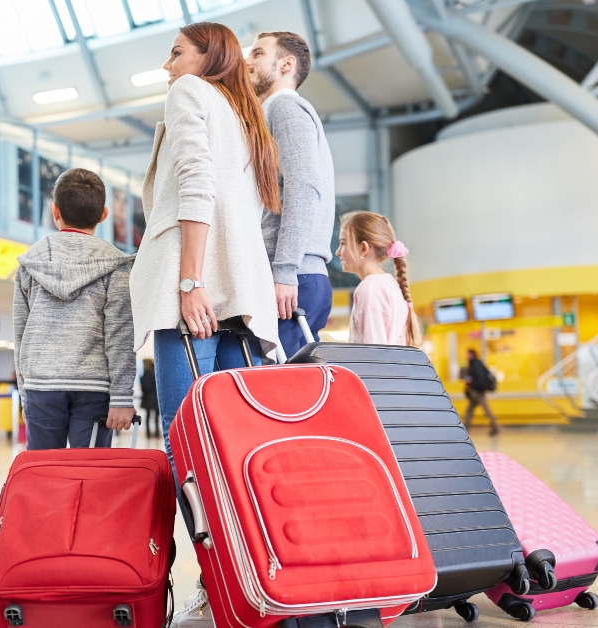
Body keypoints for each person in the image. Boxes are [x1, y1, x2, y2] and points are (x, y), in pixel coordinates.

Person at [130, 21, 282, 471]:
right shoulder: (244, 114)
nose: (168, 65)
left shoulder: (189, 91)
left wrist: (191, 280)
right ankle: (244, 541)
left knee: (187, 437)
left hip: (198, 287)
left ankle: (208, 542)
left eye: (177, 53)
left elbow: (197, 187)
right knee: (243, 436)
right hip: (243, 290)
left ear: (208, 57)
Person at [12, 168, 136, 449]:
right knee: (89, 476)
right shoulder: (116, 266)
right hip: (94, 389)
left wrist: (25, 392)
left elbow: (20, 334)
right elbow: (120, 335)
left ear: (55, 211)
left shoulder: (30, 264)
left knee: (44, 474)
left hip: (40, 386)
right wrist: (121, 397)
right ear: (104, 215)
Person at [246, 31, 336, 356]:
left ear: (287, 64)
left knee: (277, 398)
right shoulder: (273, 111)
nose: (247, 61)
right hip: (298, 274)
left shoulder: (283, 107)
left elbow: (303, 186)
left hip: (292, 275)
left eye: (257, 53)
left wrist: (284, 269)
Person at [335, 211, 422, 346]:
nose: (338, 252)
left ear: (363, 248)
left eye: (343, 243)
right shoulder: (389, 284)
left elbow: (374, 355)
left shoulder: (369, 288)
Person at [462, 348, 500, 436]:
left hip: (477, 392)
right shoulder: (475, 364)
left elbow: (479, 378)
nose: (466, 356)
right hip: (475, 392)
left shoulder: (475, 364)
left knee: (486, 410)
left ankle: (495, 427)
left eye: (467, 354)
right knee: (469, 411)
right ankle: (465, 429)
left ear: (471, 355)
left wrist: (477, 389)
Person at [140, 359, 160, 438]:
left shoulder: (145, 375)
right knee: (156, 417)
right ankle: (157, 433)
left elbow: (144, 388)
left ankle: (148, 434)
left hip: (147, 398)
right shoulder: (156, 374)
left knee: (148, 416)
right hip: (156, 398)